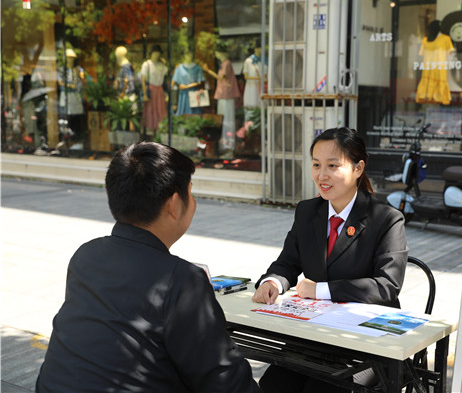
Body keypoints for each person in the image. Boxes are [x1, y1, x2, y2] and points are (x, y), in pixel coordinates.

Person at [36, 142, 260, 392]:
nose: (194, 201)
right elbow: (226, 383)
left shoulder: (86, 255)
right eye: (191, 192)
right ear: (174, 205)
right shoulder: (182, 280)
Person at [252, 127, 408, 393]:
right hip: (313, 338)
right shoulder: (307, 212)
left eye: (333, 165)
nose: (322, 176)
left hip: (364, 343)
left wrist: (321, 290)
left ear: (358, 168)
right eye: (316, 165)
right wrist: (273, 282)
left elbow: (387, 286)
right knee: (271, 387)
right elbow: (288, 262)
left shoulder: (387, 219)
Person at [203, 41, 240, 155]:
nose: (216, 55)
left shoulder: (226, 63)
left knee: (226, 119)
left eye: (217, 52)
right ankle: (225, 144)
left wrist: (208, 70)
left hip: (226, 94)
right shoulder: (225, 63)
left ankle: (228, 145)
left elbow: (221, 77)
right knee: (225, 119)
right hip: (223, 94)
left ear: (220, 52)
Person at [415, 20, 454, 105]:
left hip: (433, 67)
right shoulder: (425, 40)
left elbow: (421, 55)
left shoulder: (444, 39)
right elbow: (450, 55)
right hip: (434, 68)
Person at [141, 44, 168, 138]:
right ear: (151, 53)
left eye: (158, 53)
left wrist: (165, 93)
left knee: (160, 111)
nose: (156, 55)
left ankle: (159, 135)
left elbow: (164, 80)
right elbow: (143, 80)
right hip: (151, 90)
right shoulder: (147, 64)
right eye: (155, 53)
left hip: (159, 91)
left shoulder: (162, 65)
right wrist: (145, 94)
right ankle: (150, 136)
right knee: (150, 112)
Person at [172, 49, 206, 115]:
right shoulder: (179, 68)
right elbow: (175, 83)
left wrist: (187, 86)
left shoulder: (197, 67)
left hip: (194, 93)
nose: (189, 56)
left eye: (190, 54)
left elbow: (200, 82)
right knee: (183, 113)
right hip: (183, 94)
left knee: (194, 114)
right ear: (184, 56)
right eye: (187, 54)